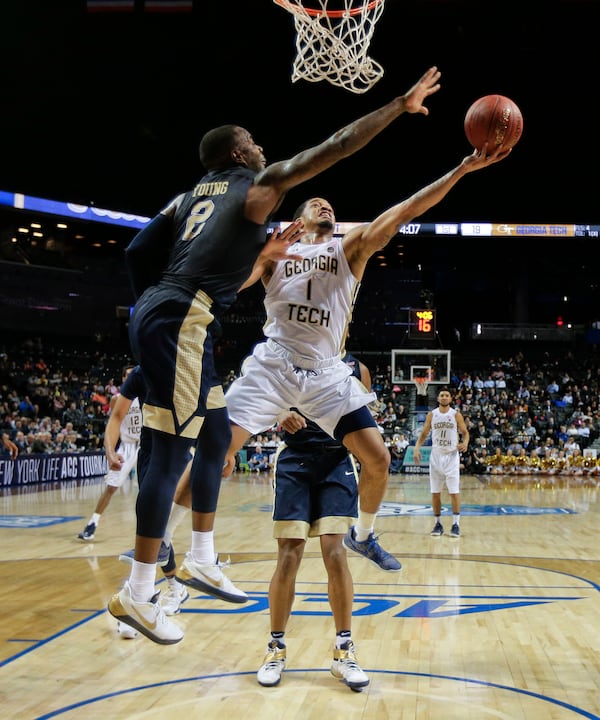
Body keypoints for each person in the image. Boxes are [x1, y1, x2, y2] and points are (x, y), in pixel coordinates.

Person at [109, 66, 444, 644]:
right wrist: (399, 105)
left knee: (225, 441)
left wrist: (153, 312)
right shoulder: (264, 217)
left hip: (290, 360)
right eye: (255, 144)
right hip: (247, 351)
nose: (264, 149)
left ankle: (216, 554)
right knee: (187, 455)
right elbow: (334, 148)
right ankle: (151, 572)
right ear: (242, 153)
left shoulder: (334, 239)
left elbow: (142, 249)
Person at [222, 144, 511, 570]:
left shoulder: (349, 247)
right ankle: (163, 546)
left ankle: (363, 534)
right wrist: (263, 256)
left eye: (330, 205)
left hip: (326, 372)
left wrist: (462, 169)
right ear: (298, 219)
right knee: (215, 456)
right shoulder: (276, 253)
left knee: (378, 459)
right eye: (316, 202)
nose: (325, 206)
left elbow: (404, 210)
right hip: (276, 365)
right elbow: (231, 287)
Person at [256, 352, 373, 690]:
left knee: (335, 552)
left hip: (337, 460)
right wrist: (281, 413)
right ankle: (275, 648)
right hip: (294, 459)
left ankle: (343, 650)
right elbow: (262, 401)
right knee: (289, 553)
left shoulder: (357, 369)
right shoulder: (286, 355)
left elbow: (362, 422)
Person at [77, 365, 148, 543]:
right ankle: (92, 523)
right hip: (127, 446)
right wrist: (110, 452)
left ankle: (153, 533)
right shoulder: (118, 399)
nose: (133, 378)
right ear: (124, 379)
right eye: (129, 375)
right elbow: (113, 425)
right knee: (111, 486)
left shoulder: (148, 394)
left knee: (149, 490)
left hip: (146, 444)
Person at [413, 387, 470, 538]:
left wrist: (465, 443)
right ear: (438, 398)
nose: (444, 397)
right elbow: (424, 433)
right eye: (442, 395)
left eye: (447, 395)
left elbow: (465, 432)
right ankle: (437, 523)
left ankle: (456, 524)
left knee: (454, 492)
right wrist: (417, 448)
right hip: (436, 456)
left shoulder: (455, 415)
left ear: (451, 399)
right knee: (435, 492)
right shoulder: (432, 415)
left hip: (451, 456)